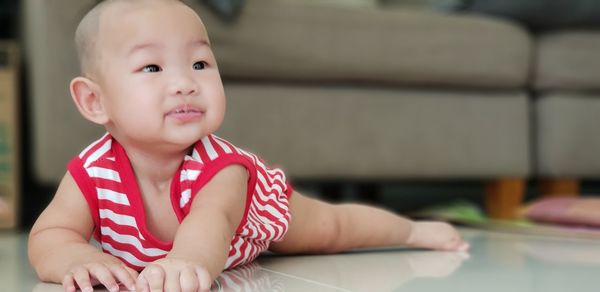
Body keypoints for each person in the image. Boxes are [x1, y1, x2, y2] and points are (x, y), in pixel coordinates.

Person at [27, 0, 469, 291]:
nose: (184, 83)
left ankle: (411, 230)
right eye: (152, 67)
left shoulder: (222, 170)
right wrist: (74, 258)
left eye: (200, 62)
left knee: (332, 228)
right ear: (94, 100)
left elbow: (211, 224)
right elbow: (51, 234)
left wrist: (185, 262)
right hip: (190, 238)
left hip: (252, 217)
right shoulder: (92, 172)